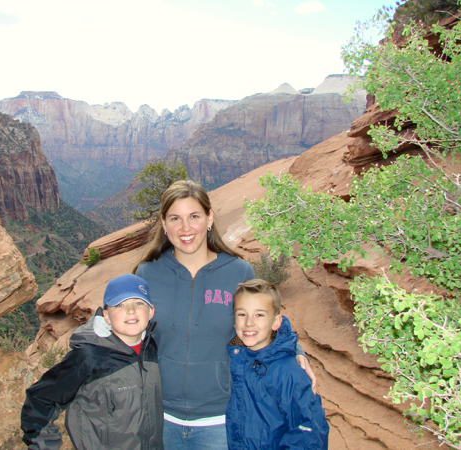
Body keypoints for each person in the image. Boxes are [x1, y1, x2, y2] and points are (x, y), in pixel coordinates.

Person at [134, 179, 316, 449]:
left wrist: (295, 351)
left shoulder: (238, 272)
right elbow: (123, 329)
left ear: (209, 218)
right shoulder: (147, 274)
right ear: (163, 223)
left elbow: (259, 323)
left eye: (194, 216)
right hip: (159, 420)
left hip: (220, 421)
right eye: (175, 218)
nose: (185, 228)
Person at [20, 274, 164, 450]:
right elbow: (41, 399)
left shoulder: (152, 349)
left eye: (139, 303)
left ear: (151, 312)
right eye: (120, 305)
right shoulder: (89, 356)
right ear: (107, 316)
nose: (131, 311)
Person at [226, 279, 329, 449]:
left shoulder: (289, 372)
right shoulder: (237, 358)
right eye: (242, 314)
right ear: (234, 320)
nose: (249, 323)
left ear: (276, 322)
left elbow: (309, 431)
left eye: (259, 315)